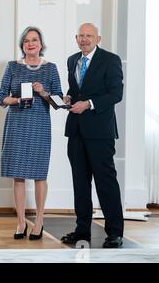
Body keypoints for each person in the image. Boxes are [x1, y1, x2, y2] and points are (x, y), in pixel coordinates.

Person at [61, 23, 124, 248]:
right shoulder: (71, 60)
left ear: (98, 38)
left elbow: (116, 94)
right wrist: (69, 98)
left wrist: (88, 104)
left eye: (89, 36)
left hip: (100, 132)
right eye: (81, 36)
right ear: (75, 38)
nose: (84, 39)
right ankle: (82, 231)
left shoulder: (110, 60)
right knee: (80, 183)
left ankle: (115, 232)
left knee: (105, 182)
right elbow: (76, 90)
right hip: (76, 131)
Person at [0, 27, 62, 240]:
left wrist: (43, 92)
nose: (30, 44)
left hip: (40, 126)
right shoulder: (12, 67)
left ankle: (40, 221)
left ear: (41, 44)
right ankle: (21, 221)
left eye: (34, 40)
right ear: (22, 45)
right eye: (26, 41)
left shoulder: (51, 69)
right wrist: (16, 100)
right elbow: (0, 97)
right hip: (17, 125)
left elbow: (58, 101)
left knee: (40, 175)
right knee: (18, 176)